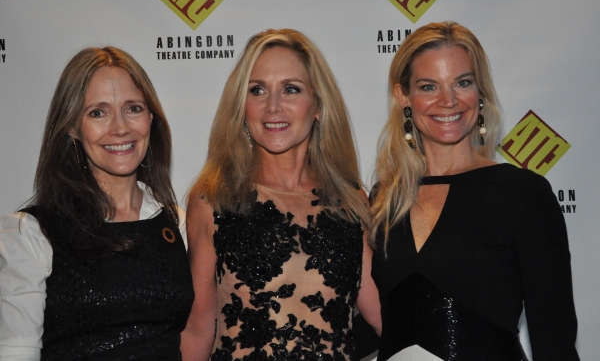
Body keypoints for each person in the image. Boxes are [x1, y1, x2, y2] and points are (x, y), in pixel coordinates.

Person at [370, 22, 579, 361]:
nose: (448, 100)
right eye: (428, 86)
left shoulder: (523, 193)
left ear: (480, 91)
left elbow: (553, 339)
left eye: (462, 83)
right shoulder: (384, 199)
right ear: (403, 96)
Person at [181, 29, 381, 361]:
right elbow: (198, 329)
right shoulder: (214, 200)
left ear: (318, 105)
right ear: (241, 107)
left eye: (291, 89)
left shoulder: (350, 202)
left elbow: (382, 315)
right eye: (257, 90)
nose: (273, 106)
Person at [0, 47, 194, 360]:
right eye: (98, 112)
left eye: (133, 108)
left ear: (151, 118)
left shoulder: (178, 223)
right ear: (73, 127)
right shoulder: (31, 233)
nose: (120, 128)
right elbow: (16, 354)